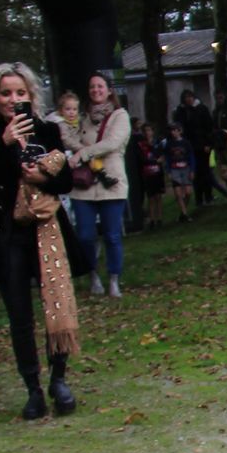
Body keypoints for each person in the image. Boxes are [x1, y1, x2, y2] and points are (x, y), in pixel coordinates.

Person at [0, 61, 85, 420]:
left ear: (31, 96)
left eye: (20, 92)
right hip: (5, 234)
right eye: (5, 93)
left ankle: (59, 380)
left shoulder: (47, 130)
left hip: (46, 230)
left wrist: (42, 178)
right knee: (19, 314)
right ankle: (32, 389)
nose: (12, 99)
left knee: (56, 306)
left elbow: (65, 182)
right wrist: (4, 145)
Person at [67, 72, 130, 299]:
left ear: (109, 90)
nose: (96, 90)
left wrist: (84, 153)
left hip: (110, 181)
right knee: (85, 235)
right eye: (92, 87)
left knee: (112, 235)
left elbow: (112, 143)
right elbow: (70, 139)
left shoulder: (120, 116)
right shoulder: (81, 117)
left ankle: (114, 278)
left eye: (100, 86)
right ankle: (92, 274)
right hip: (83, 184)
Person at [175, 89, 224, 206]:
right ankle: (199, 199)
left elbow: (209, 127)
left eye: (190, 97)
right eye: (186, 97)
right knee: (195, 173)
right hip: (189, 146)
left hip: (202, 145)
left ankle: (208, 196)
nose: (189, 99)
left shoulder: (202, 109)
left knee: (205, 172)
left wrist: (208, 143)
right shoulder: (181, 111)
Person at [127, 119, 166, 229]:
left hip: (158, 172)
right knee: (151, 197)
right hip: (147, 173)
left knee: (158, 196)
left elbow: (162, 155)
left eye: (149, 130)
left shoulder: (157, 143)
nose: (148, 133)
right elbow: (142, 159)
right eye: (145, 131)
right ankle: (152, 219)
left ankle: (159, 218)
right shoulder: (141, 144)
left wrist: (160, 159)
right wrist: (154, 160)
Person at [162, 121, 196, 221]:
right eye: (172, 130)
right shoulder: (169, 144)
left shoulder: (186, 143)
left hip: (186, 168)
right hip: (174, 169)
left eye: (175, 130)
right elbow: (167, 158)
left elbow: (191, 157)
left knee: (188, 192)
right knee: (178, 193)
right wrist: (168, 171)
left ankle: (183, 211)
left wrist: (192, 170)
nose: (173, 132)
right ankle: (184, 213)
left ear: (180, 131)